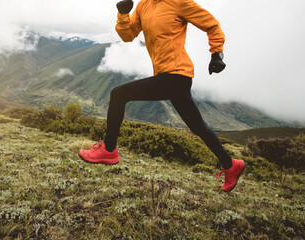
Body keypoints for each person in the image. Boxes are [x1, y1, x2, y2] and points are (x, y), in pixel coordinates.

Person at [79, 0, 245, 192]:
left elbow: (211, 24)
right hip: (168, 76)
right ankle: (231, 165)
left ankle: (108, 150)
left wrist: (217, 53)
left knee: (118, 94)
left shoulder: (179, 2)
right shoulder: (143, 5)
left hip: (177, 75)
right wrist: (123, 14)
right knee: (198, 127)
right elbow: (128, 35)